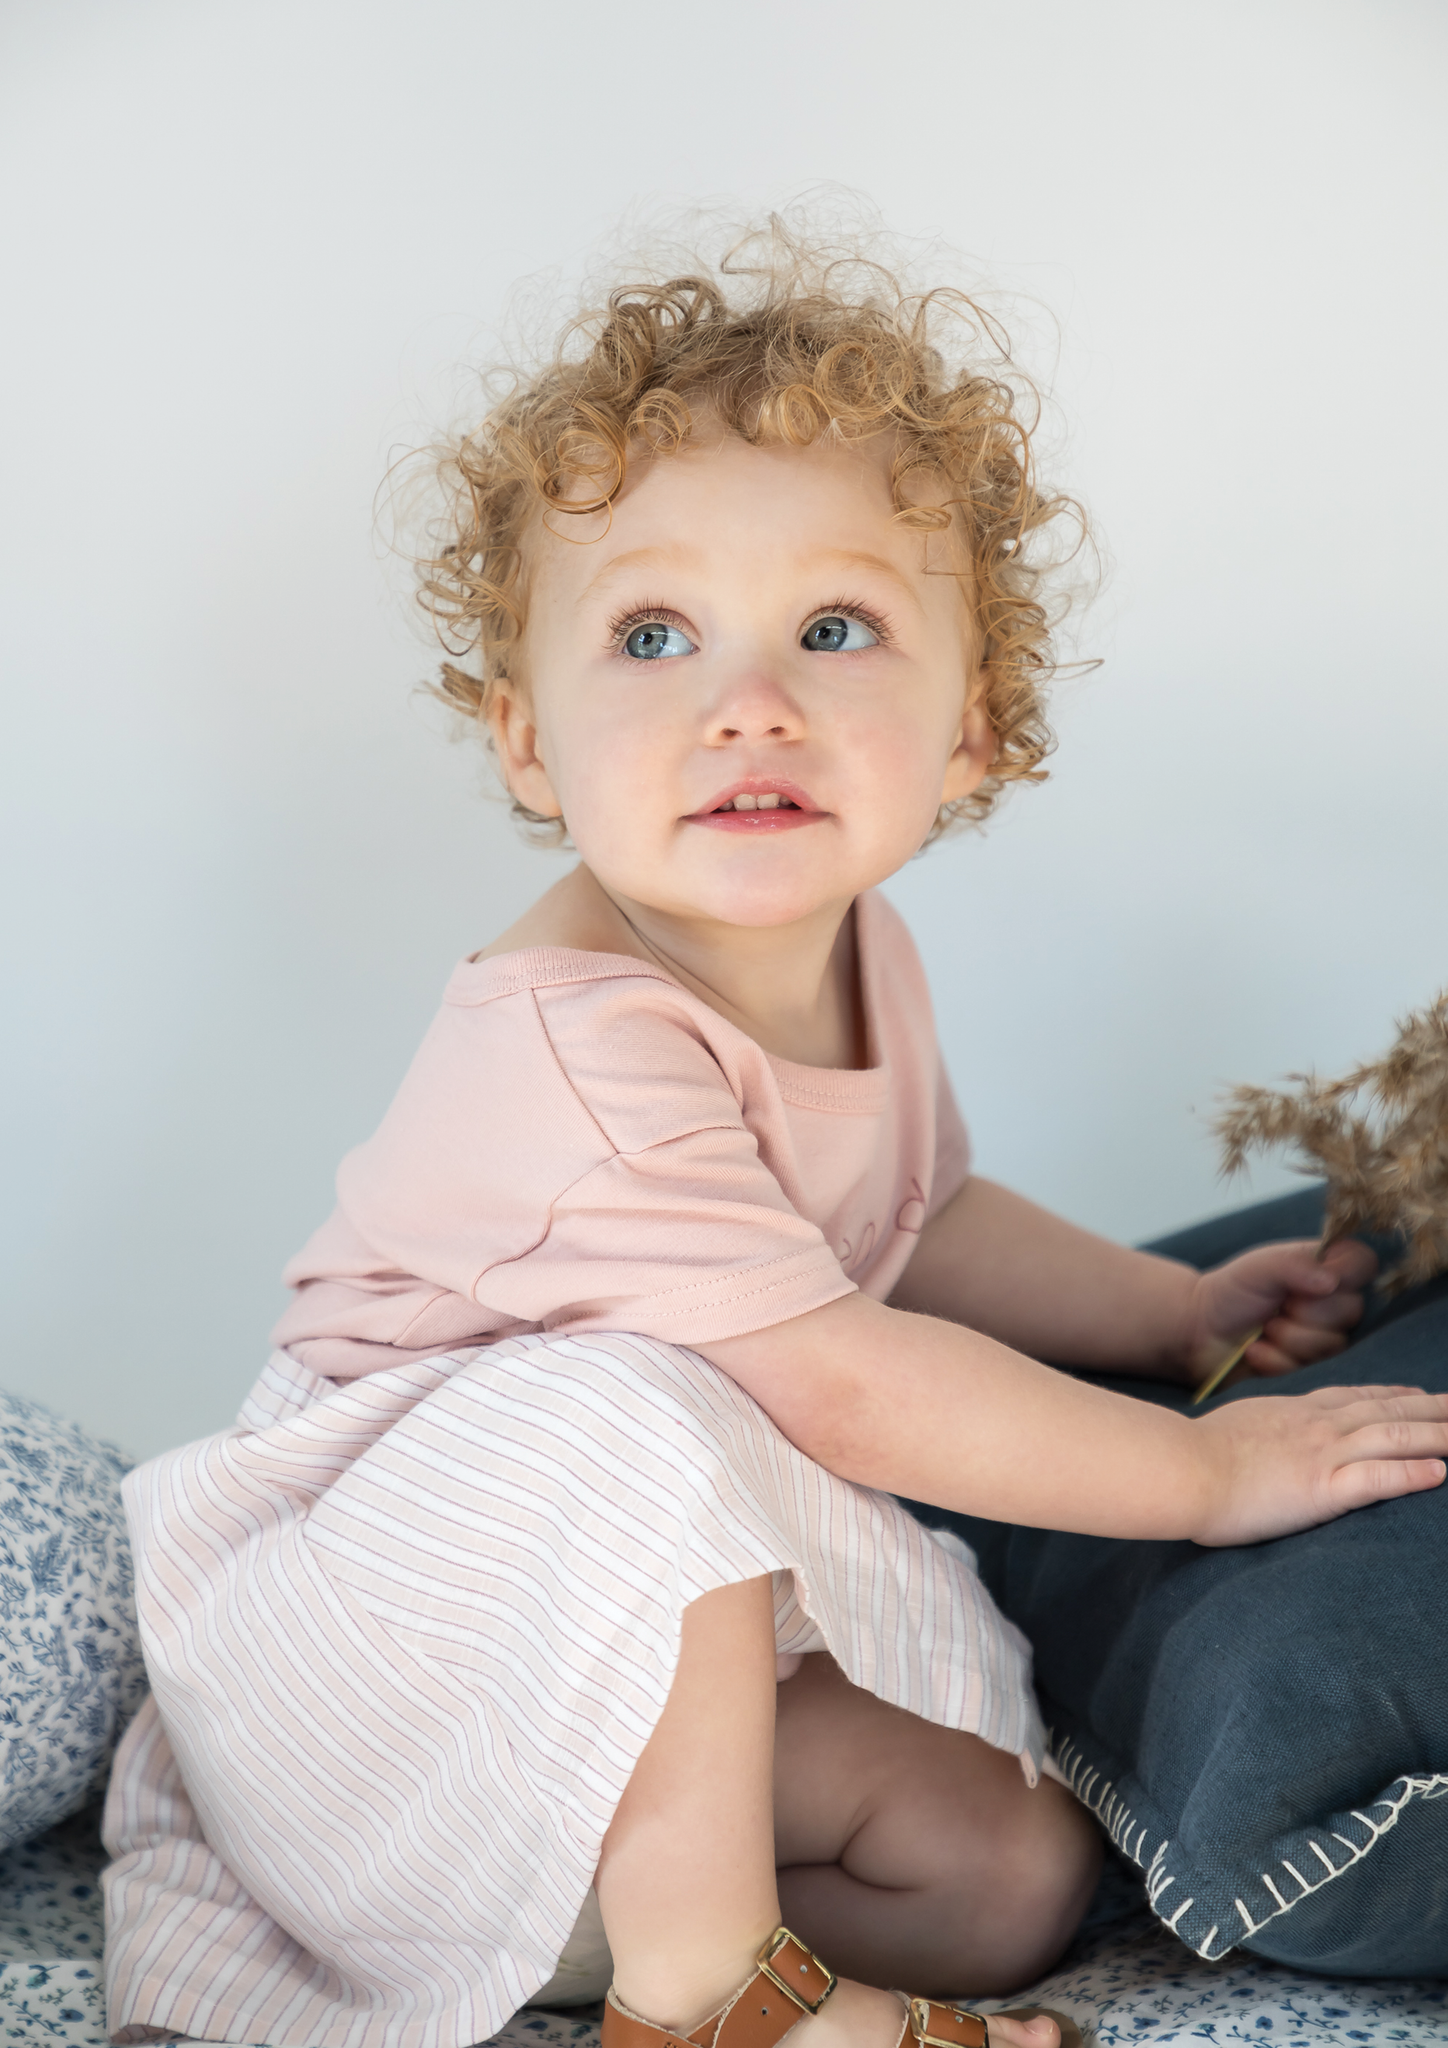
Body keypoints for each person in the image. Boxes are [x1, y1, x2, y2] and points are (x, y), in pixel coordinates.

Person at [102, 221, 1448, 2048]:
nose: (750, 697)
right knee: (631, 1400)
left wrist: (1167, 1315)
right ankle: (709, 1989)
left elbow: (918, 1214)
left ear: (971, 728)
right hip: (383, 1675)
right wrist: (1214, 1476)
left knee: (1009, 1872)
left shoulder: (855, 952)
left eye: (835, 627)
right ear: (523, 739)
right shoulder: (576, 1047)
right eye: (653, 634)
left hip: (605, 1724)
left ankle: (607, 1935)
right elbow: (849, 1379)